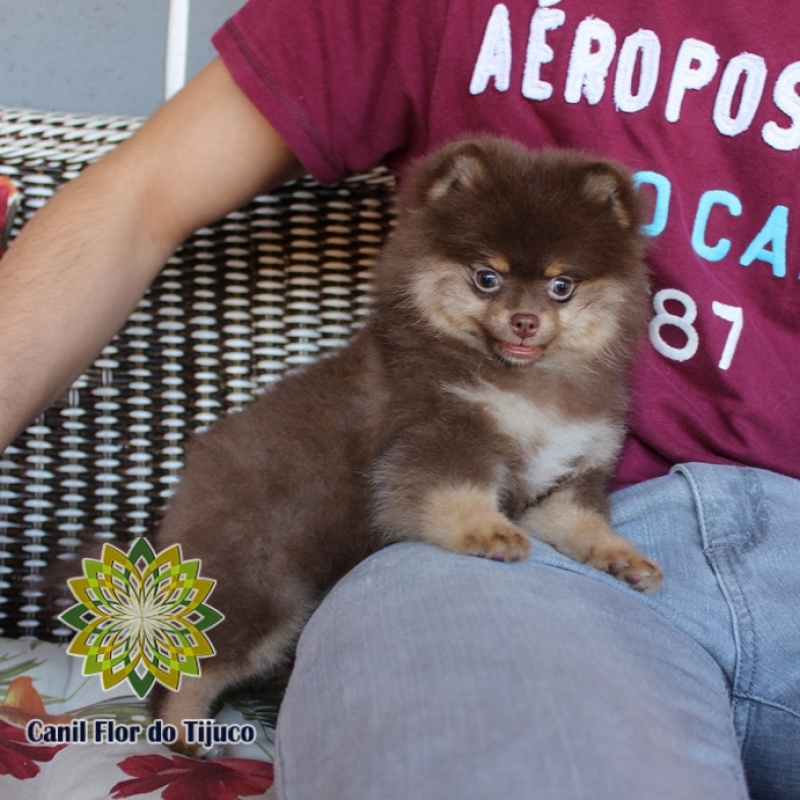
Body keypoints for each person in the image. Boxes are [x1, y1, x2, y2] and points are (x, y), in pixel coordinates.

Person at [2, 0, 799, 797]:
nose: (525, 312)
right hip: (504, 579)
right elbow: (139, 198)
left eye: (558, 290)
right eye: (490, 282)